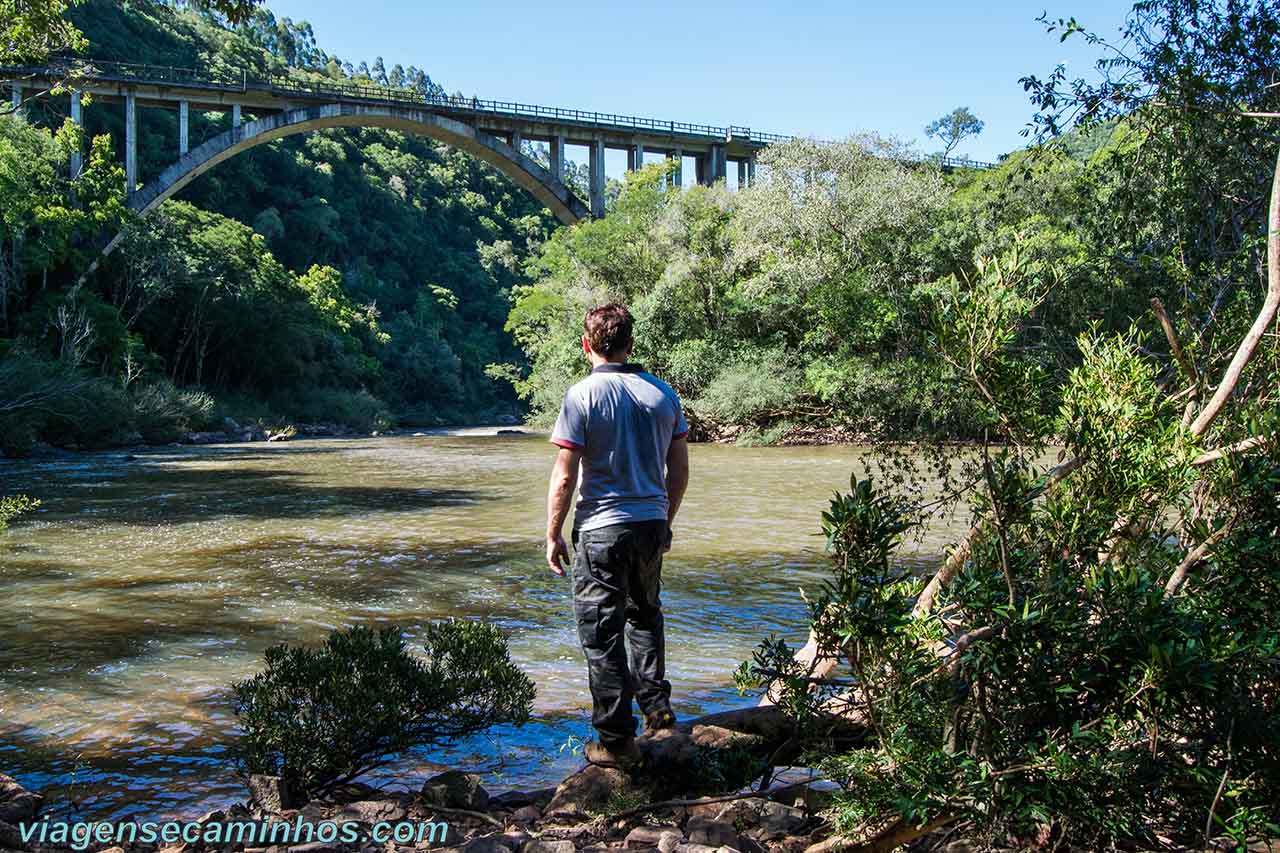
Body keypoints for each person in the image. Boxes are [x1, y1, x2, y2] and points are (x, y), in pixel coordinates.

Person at [545, 302, 691, 769]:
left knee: (601, 633)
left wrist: (553, 534)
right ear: (631, 343)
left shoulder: (581, 396)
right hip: (650, 523)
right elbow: (680, 469)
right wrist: (664, 520)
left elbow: (564, 477)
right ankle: (658, 712)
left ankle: (615, 741)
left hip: (601, 529)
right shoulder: (663, 394)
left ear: (586, 345)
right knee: (645, 615)